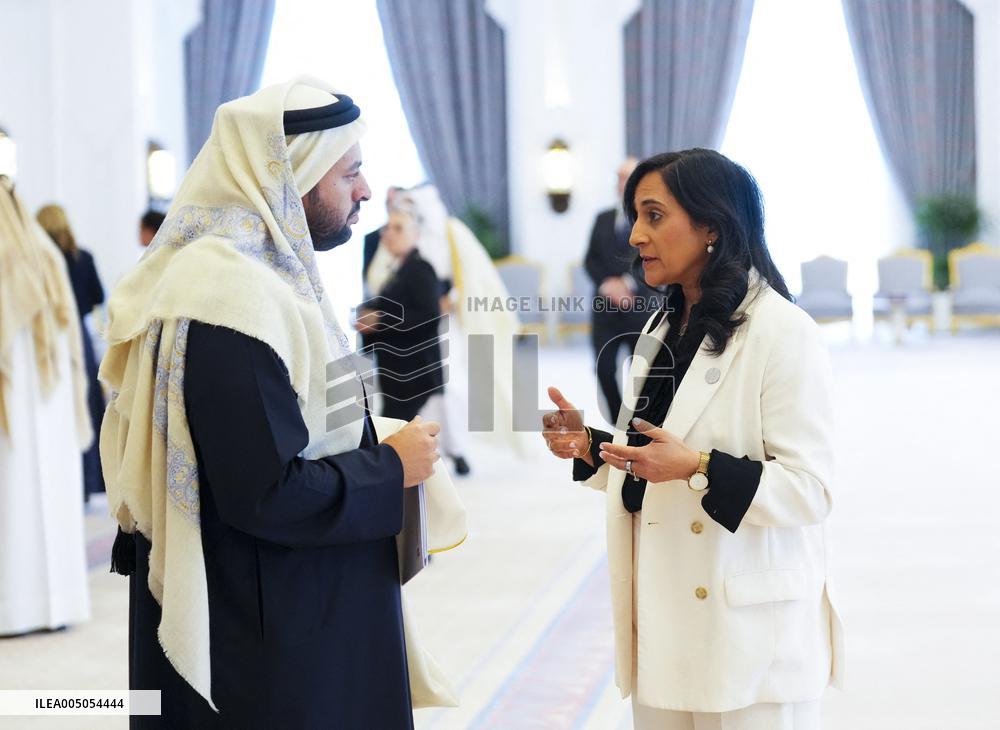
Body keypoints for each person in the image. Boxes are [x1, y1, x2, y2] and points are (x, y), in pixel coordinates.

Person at [101, 78, 448, 729]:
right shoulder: (230, 298)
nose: (365, 191)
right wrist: (390, 467)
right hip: (266, 640)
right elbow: (265, 491)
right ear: (293, 175)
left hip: (283, 610)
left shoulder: (252, 277)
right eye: (350, 173)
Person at [543, 149, 843, 729]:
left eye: (654, 215)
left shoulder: (783, 332)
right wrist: (591, 446)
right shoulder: (661, 325)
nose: (635, 235)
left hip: (749, 642)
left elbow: (811, 490)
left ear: (712, 226)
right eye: (636, 215)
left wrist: (699, 466)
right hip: (665, 628)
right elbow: (654, 457)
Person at [0, 177, 91, 637]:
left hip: (26, 400)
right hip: (44, 396)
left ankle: (21, 606)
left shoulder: (26, 251)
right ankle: (47, 603)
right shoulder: (41, 252)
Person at [36, 204, 106, 500]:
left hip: (48, 336)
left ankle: (59, 485)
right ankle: (88, 484)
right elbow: (98, 296)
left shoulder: (38, 260)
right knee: (86, 406)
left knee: (53, 406)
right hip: (79, 335)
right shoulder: (83, 257)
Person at [355, 201, 446, 423]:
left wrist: (379, 320)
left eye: (398, 228)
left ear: (415, 235)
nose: (389, 234)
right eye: (387, 228)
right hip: (398, 374)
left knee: (396, 431)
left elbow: (429, 318)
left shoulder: (420, 269)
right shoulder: (398, 269)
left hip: (412, 375)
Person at [585, 157, 651, 425]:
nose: (623, 183)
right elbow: (590, 259)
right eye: (620, 177)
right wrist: (607, 284)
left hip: (640, 308)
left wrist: (627, 283)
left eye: (629, 177)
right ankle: (617, 422)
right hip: (605, 310)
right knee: (603, 368)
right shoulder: (602, 218)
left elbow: (654, 256)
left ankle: (638, 423)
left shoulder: (651, 218)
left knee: (641, 373)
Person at [362, 185, 402, 296]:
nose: (391, 205)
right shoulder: (371, 238)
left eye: (395, 201)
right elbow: (366, 279)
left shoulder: (415, 236)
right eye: (388, 202)